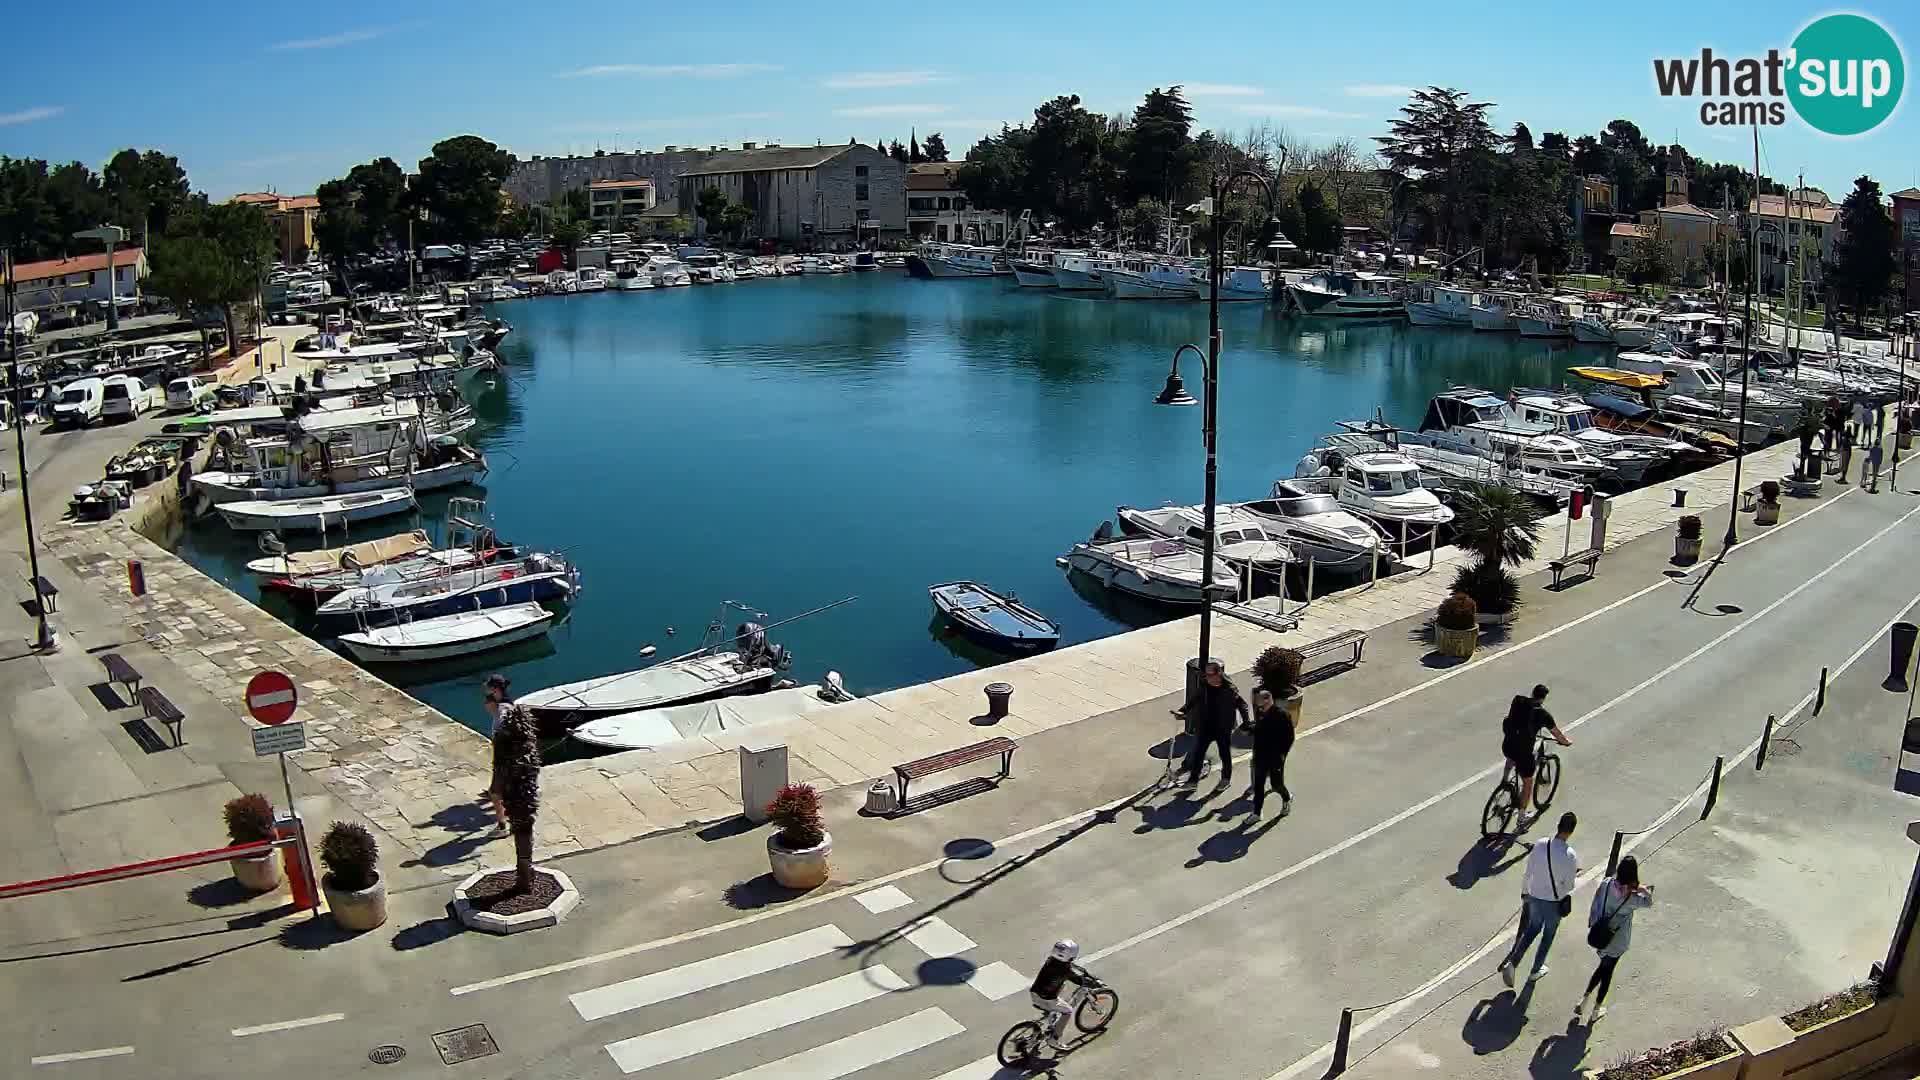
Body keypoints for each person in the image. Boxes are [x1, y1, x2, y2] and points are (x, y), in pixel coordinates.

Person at [1498, 811, 1580, 987]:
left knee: (1531, 930)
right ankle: (1536, 970)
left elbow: (1528, 872)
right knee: (1548, 935)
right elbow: (1569, 886)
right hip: (1553, 903)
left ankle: (1513, 964)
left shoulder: (1541, 844)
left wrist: (1524, 892)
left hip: (1534, 897)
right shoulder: (1570, 855)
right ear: (1571, 831)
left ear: (1558, 825)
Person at [1575, 855, 1654, 1024]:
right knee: (1607, 973)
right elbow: (1648, 903)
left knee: (1603, 968)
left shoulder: (1607, 883)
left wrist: (1592, 920)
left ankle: (1584, 999)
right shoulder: (1632, 899)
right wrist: (1644, 890)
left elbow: (1596, 900)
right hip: (1616, 941)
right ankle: (1596, 1008)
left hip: (1599, 933)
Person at [1501, 685, 1571, 824]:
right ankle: (1521, 816)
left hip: (1507, 745)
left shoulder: (1519, 702)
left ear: (1532, 694)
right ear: (1543, 698)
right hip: (1523, 753)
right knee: (1528, 782)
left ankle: (1505, 781)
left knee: (1512, 755)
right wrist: (1566, 742)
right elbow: (1557, 734)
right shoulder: (1542, 714)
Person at [1180, 661, 1247, 788]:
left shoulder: (1229, 690)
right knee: (1199, 753)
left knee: (1224, 754)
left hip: (1223, 729)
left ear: (1218, 674)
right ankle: (1193, 781)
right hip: (1206, 726)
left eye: (1210, 675)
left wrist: (1246, 723)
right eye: (1206, 675)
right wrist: (1182, 710)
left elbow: (1243, 706)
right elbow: (1195, 698)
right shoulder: (1205, 686)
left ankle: (1225, 780)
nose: (1207, 678)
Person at [1029, 939, 1096, 1050]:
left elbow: (1068, 966)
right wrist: (1093, 982)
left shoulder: (1051, 960)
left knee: (1061, 986)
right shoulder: (1065, 970)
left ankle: (1050, 1016)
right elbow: (1079, 980)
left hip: (1035, 993)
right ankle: (1054, 1039)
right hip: (1047, 999)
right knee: (1068, 1011)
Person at [481, 674, 522, 837]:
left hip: (504, 757)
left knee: (495, 793)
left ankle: (502, 826)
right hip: (509, 756)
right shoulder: (505, 705)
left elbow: (505, 727)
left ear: (495, 690)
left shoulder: (503, 709)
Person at [1248, 688, 1295, 817]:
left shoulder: (1282, 715)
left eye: (1259, 701)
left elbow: (1289, 737)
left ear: (1268, 700)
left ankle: (1286, 798)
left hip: (1274, 757)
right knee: (1258, 785)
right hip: (1260, 755)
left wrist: (1282, 754)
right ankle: (1257, 813)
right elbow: (1260, 729)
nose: (1257, 704)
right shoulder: (1260, 712)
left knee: (1277, 784)